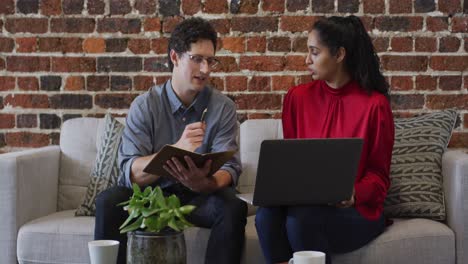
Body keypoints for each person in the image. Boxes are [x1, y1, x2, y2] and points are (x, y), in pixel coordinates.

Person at [94, 17, 247, 264]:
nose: (206, 69)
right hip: (150, 195)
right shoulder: (145, 105)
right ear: (175, 57)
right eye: (197, 59)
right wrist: (174, 150)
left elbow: (230, 169)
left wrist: (205, 183)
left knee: (233, 207)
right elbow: (130, 173)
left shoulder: (223, 107)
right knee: (108, 201)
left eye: (210, 60)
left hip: (200, 197)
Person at [255, 15, 395, 264]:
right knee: (265, 216)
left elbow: (379, 175)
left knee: (300, 219)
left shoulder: (375, 105)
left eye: (314, 52)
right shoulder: (296, 98)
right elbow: (291, 163)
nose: (306, 60)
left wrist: (353, 193)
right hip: (303, 206)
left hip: (355, 212)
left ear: (339, 54)